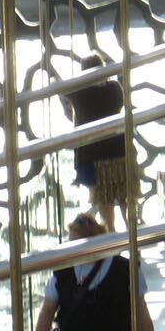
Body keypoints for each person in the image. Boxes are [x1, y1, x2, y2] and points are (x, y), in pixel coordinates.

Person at [61, 53, 129, 231]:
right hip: (119, 149)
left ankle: (112, 236)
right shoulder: (114, 88)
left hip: (94, 155)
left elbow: (61, 90)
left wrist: (69, 111)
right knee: (124, 197)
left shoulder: (79, 93)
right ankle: (132, 232)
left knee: (104, 199)